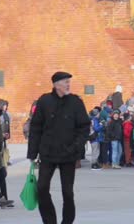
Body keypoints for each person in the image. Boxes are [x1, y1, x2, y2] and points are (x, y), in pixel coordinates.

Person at [27, 71, 90, 224]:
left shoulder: (76, 102)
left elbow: (84, 127)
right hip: (47, 153)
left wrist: (77, 146)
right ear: (56, 85)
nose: (68, 85)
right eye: (65, 82)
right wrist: (33, 153)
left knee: (67, 192)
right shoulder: (44, 101)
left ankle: (67, 221)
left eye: (69, 82)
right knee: (42, 188)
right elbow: (36, 127)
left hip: (68, 154)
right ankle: (50, 221)